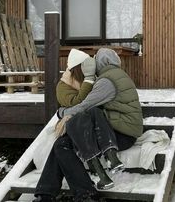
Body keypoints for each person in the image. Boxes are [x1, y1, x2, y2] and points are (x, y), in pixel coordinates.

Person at [58, 47, 143, 186]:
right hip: (126, 131)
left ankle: (100, 173)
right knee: (87, 116)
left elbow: (84, 105)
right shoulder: (118, 74)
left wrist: (61, 113)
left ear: (101, 63)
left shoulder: (106, 82)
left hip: (122, 137)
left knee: (79, 119)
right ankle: (110, 162)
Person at [33, 49, 100, 202]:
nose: (89, 69)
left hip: (91, 124)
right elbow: (78, 103)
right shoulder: (63, 86)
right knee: (61, 146)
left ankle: (47, 193)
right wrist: (88, 82)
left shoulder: (94, 79)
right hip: (75, 124)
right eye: (85, 66)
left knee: (60, 146)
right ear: (78, 68)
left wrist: (90, 80)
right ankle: (81, 193)